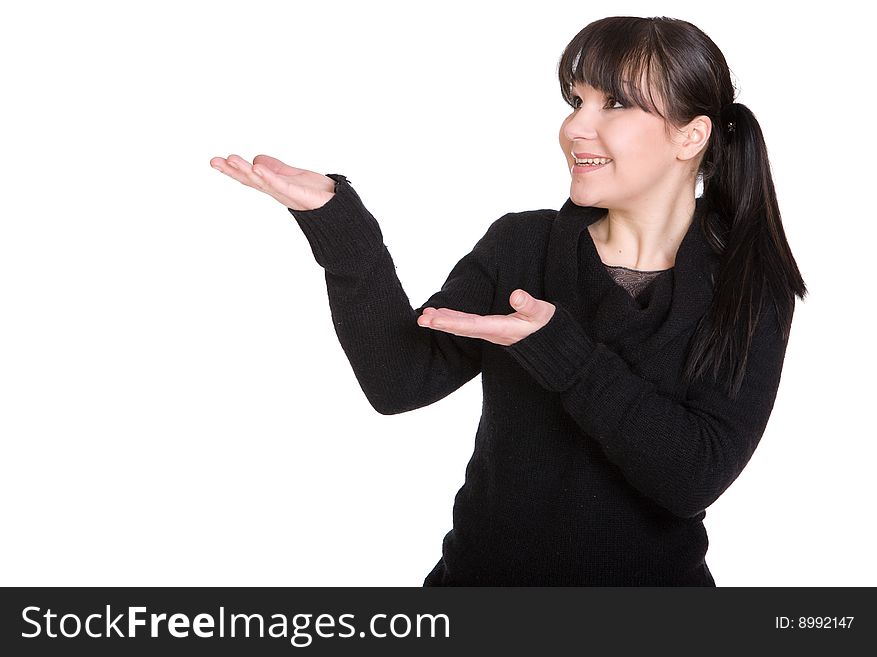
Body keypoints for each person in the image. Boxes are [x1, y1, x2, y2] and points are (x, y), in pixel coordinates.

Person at [209, 15, 806, 586]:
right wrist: (343, 230)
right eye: (576, 101)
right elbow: (399, 382)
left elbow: (693, 476)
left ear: (690, 135)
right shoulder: (522, 245)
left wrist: (560, 352)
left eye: (615, 103)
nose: (575, 127)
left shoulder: (748, 284)